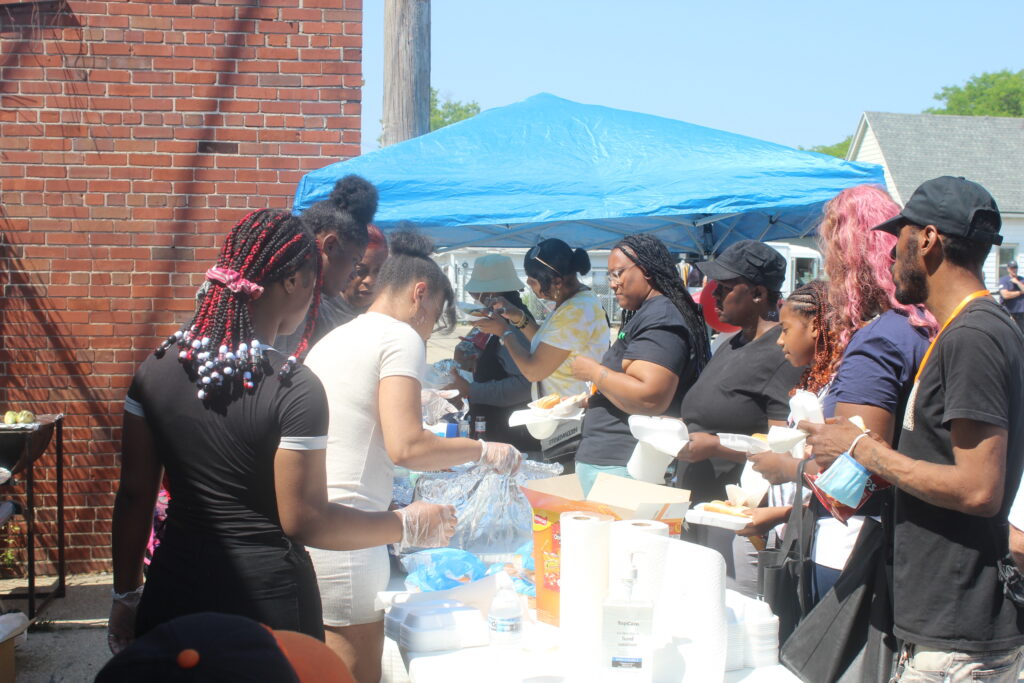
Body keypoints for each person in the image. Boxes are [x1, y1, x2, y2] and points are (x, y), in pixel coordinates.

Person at [110, 210, 456, 654]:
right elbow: (306, 520)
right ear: (292, 281)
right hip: (268, 606)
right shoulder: (291, 387)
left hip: (174, 589)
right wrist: (406, 523)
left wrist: (125, 595)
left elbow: (134, 496)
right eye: (312, 283)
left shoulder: (155, 371)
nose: (315, 296)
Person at [802, 176, 1024, 682]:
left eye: (899, 238)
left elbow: (978, 489)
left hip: (958, 631)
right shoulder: (970, 330)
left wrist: (861, 448)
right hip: (942, 622)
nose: (890, 255)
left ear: (926, 240)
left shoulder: (974, 335)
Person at [303, 230, 522, 683]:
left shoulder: (343, 334)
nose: (428, 328)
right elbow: (409, 446)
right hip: (351, 533)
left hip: (320, 525)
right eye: (434, 316)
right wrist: (485, 450)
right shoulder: (400, 337)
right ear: (419, 295)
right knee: (352, 672)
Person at [743, 185, 935, 602]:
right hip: (918, 545)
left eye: (831, 251)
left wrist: (789, 469)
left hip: (857, 549)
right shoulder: (927, 327)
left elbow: (855, 470)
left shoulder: (881, 338)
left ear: (849, 257)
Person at [674, 240, 804, 577]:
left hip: (738, 516)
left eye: (726, 288)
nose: (714, 295)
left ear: (759, 294)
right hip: (699, 502)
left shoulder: (781, 354)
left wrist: (717, 447)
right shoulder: (729, 343)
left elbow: (782, 450)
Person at [568, 235, 711, 493]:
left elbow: (649, 397)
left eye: (617, 274)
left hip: (624, 465)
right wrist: (600, 395)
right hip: (614, 462)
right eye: (609, 276)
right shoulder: (651, 312)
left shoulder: (662, 315)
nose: (612, 284)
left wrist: (593, 371)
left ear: (645, 270)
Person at [474, 238, 610, 465]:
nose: (529, 285)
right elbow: (546, 344)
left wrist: (505, 333)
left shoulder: (575, 311)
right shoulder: (572, 303)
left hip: (572, 425)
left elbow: (534, 371)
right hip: (565, 420)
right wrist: (518, 317)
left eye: (533, 281)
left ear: (556, 281)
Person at [443, 254, 539, 451]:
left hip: (512, 439)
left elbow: (525, 385)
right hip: (495, 432)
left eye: (477, 292)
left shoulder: (514, 325)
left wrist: (471, 390)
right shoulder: (495, 318)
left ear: (490, 293)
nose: (474, 298)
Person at [276, 175, 378, 352]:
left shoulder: (309, 301)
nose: (354, 274)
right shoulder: (284, 299)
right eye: (355, 261)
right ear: (330, 245)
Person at [335, 224, 389, 325]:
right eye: (360, 271)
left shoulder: (390, 316)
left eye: (379, 271)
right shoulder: (318, 312)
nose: (370, 281)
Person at [999, 260, 1024, 333]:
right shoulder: (1004, 280)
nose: (1014, 270)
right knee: (1009, 333)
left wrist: (1017, 282)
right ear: (1008, 269)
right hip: (1009, 312)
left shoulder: (1021, 279)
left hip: (1021, 313)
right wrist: (1020, 292)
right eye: (1012, 268)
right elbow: (1005, 295)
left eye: (1015, 267)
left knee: (1021, 335)